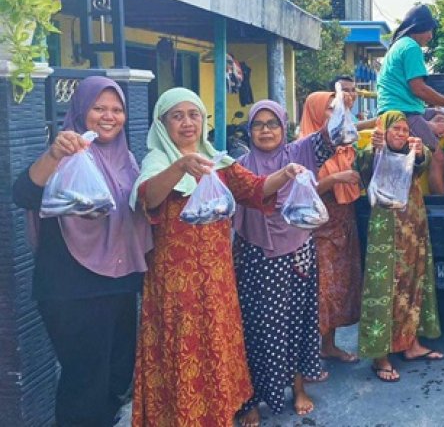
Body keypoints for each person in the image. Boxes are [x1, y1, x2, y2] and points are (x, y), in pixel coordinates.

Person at [129, 88, 306, 426]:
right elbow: (147, 198)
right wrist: (180, 166)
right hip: (175, 283)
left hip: (217, 279)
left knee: (216, 347)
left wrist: (286, 175)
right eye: (177, 116)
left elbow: (254, 189)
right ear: (162, 123)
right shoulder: (157, 162)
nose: (187, 123)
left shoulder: (218, 164)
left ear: (204, 120)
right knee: (183, 349)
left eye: (194, 114)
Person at [12, 77, 153, 427]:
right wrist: (55, 154)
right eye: (99, 108)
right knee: (83, 383)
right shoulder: (66, 153)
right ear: (80, 110)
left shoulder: (126, 158)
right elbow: (24, 194)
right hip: (71, 287)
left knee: (115, 379)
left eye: (117, 109)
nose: (110, 116)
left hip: (119, 285)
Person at [232, 98, 336, 425]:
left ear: (283, 126)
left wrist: (342, 105)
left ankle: (298, 388)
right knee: (256, 328)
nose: (266, 131)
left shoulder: (299, 152)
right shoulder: (241, 164)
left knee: (298, 322)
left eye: (272, 123)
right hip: (256, 256)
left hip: (298, 252)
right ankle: (251, 398)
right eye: (258, 125)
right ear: (250, 130)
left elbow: (331, 137)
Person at [357, 111, 443, 383]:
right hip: (386, 234)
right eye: (395, 129)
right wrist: (373, 147)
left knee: (412, 284)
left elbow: (423, 163)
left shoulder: (412, 152)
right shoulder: (374, 151)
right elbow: (362, 170)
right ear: (383, 130)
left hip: (414, 229)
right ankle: (379, 356)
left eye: (405, 129)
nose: (400, 134)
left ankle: (411, 344)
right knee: (384, 289)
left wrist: (419, 153)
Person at [307, 92, 365, 365]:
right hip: (319, 227)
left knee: (341, 285)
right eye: (328, 110)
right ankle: (308, 352)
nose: (334, 115)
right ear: (316, 112)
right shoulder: (304, 147)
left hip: (344, 221)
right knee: (321, 288)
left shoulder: (342, 143)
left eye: (336, 109)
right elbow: (303, 192)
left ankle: (328, 345)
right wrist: (336, 178)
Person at [377, 4, 444, 195]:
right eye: (428, 30)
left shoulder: (399, 45)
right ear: (417, 28)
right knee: (439, 157)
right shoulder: (411, 47)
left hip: (403, 109)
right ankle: (441, 206)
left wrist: (434, 118)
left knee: (439, 115)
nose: (430, 36)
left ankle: (430, 128)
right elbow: (419, 89)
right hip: (402, 113)